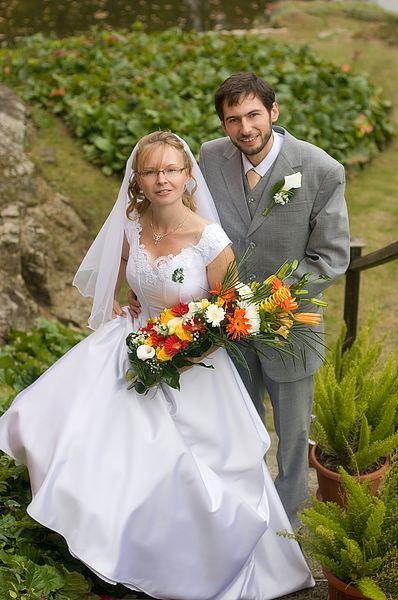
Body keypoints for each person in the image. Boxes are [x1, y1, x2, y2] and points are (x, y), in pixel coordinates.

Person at [0, 131, 314, 600]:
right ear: (138, 180)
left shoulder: (209, 239)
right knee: (55, 422)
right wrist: (124, 307)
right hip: (132, 345)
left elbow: (229, 314)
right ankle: (111, 547)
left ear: (188, 176)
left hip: (193, 366)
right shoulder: (132, 223)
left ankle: (190, 567)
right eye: (150, 171)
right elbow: (121, 270)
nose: (161, 179)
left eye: (171, 169)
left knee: (182, 474)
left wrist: (182, 354)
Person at [129, 74, 351, 528]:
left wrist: (265, 301)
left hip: (290, 325)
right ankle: (244, 518)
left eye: (253, 115)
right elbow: (181, 212)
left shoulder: (321, 169)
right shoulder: (209, 156)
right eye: (233, 119)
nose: (245, 128)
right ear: (224, 124)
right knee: (242, 432)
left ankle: (285, 525)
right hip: (222, 331)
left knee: (292, 439)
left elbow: (329, 258)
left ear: (273, 111)